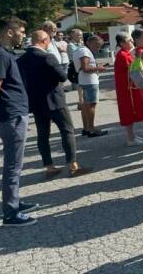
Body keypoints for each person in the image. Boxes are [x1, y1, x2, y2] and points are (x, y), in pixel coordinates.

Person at [0, 17, 38, 227]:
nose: (23, 35)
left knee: (16, 163)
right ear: (9, 32)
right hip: (10, 115)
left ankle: (14, 202)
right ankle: (10, 213)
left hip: (15, 113)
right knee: (13, 165)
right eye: (21, 31)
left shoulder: (6, 54)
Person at [18, 30, 91, 178]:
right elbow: (63, 77)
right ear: (45, 41)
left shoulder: (21, 60)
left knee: (43, 135)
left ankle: (49, 166)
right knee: (67, 130)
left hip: (36, 102)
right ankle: (72, 165)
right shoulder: (47, 57)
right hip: (55, 100)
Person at [112, 33, 143, 146]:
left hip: (128, 88)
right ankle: (131, 139)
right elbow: (134, 68)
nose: (132, 42)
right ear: (122, 43)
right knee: (128, 112)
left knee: (131, 112)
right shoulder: (122, 55)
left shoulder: (124, 53)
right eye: (129, 40)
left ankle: (132, 136)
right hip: (126, 90)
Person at [74, 33, 108, 137]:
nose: (97, 48)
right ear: (89, 42)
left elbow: (84, 67)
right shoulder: (85, 51)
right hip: (89, 81)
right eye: (96, 45)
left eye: (99, 46)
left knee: (85, 105)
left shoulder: (81, 49)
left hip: (85, 80)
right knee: (91, 105)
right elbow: (85, 68)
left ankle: (86, 128)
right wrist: (99, 68)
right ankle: (92, 129)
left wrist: (96, 66)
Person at [67, 28, 85, 110]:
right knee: (79, 85)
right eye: (78, 35)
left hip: (82, 65)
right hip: (75, 66)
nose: (80, 36)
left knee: (83, 84)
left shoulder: (80, 44)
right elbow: (75, 55)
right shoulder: (70, 45)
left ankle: (83, 100)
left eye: (81, 35)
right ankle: (81, 102)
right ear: (73, 36)